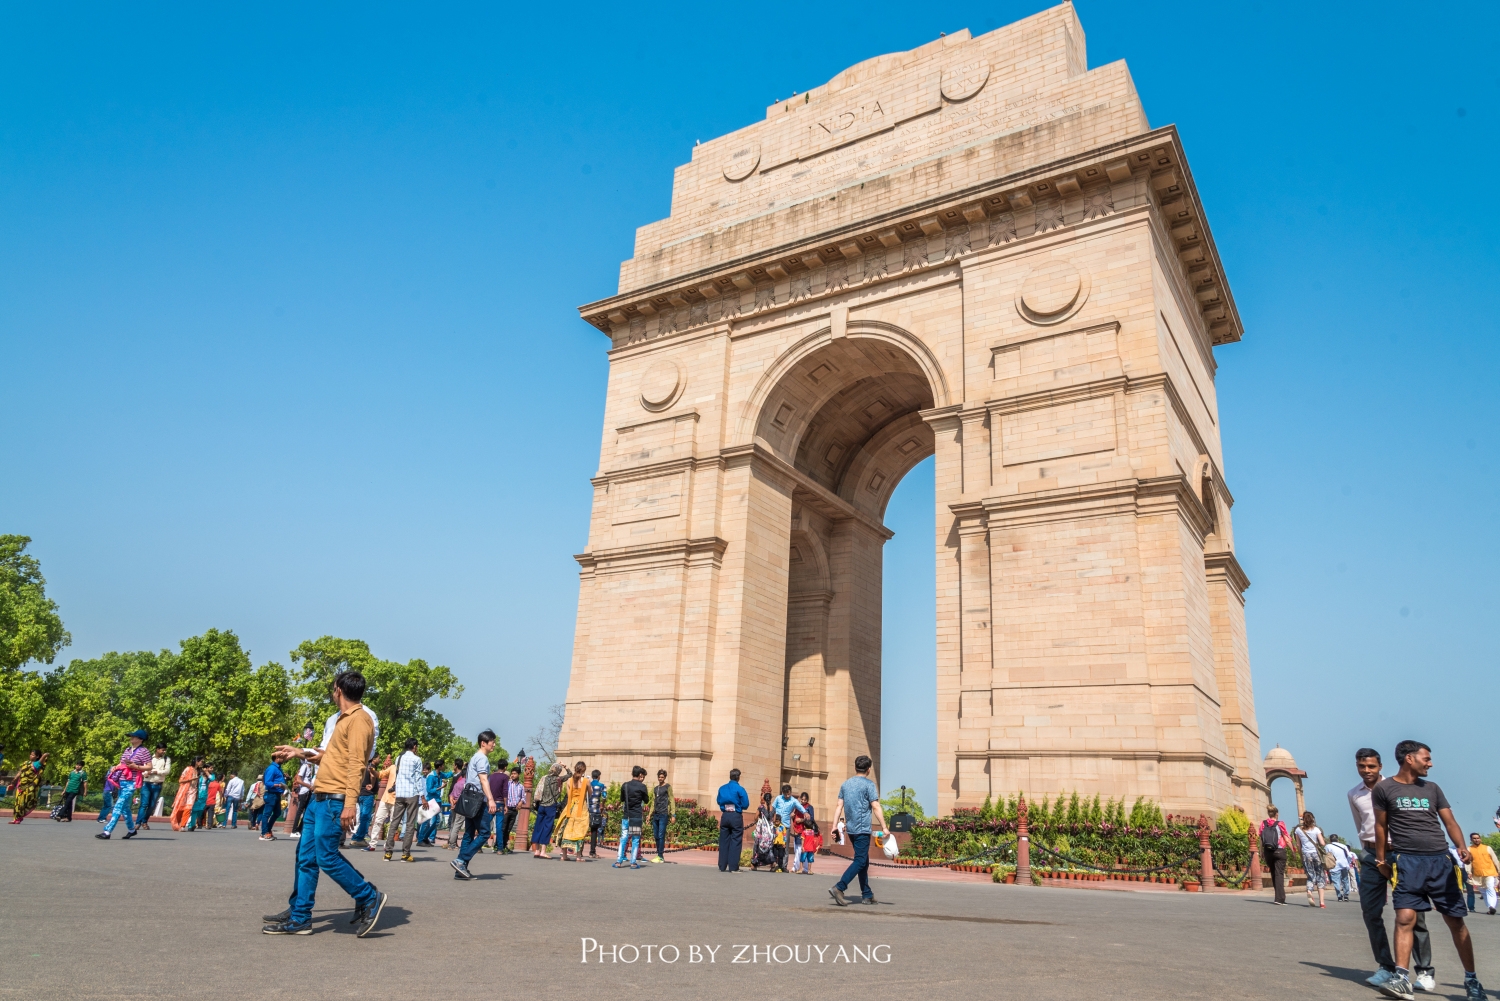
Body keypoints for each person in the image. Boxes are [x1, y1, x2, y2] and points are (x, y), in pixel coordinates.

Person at [262, 670, 388, 937]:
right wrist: (299, 752)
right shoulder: (342, 721)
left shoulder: (360, 720)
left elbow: (356, 764)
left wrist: (350, 804)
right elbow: (331, 756)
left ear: (338, 690)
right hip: (320, 797)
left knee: (326, 857)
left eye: (333, 689)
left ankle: (369, 896)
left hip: (335, 799)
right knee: (306, 857)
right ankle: (300, 917)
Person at [1372, 739, 1484, 1001]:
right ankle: (1401, 979)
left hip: (1440, 861)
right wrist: (1381, 860)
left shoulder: (1432, 789)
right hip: (1407, 863)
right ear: (1409, 758)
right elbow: (1380, 827)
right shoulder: (1384, 789)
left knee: (1455, 921)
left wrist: (1460, 846)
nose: (1430, 764)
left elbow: (1450, 821)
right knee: (1404, 918)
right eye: (1426, 759)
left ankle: (1472, 981)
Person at [1351, 747, 1435, 991]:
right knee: (1370, 911)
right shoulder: (1354, 794)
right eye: (1361, 766)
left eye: (1371, 766)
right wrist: (1371, 853)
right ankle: (1386, 966)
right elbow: (1363, 825)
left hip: (1401, 853)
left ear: (1380, 767)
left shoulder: (1396, 788)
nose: (1366, 771)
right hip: (1370, 854)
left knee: (1414, 913)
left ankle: (1424, 971)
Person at [828, 754, 888, 906]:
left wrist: (834, 826)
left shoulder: (845, 784)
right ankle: (839, 887)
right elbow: (875, 806)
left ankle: (867, 894)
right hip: (862, 829)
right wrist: (884, 827)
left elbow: (838, 806)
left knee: (863, 861)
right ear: (868, 770)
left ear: (855, 767)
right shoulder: (869, 785)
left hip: (852, 829)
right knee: (860, 860)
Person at [452, 730, 500, 880]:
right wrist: (490, 799)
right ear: (483, 743)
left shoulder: (474, 757)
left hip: (469, 798)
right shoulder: (482, 759)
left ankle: (460, 869)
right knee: (485, 833)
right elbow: (483, 780)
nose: (494, 744)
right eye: (492, 741)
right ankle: (461, 860)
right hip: (478, 800)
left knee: (468, 834)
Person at [97, 730, 152, 840]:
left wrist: (136, 767)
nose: (131, 738)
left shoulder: (144, 751)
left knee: (118, 806)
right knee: (125, 808)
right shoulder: (127, 750)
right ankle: (132, 830)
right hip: (122, 781)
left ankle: (107, 831)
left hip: (132, 782)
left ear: (140, 739)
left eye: (133, 736)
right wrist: (115, 767)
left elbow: (149, 767)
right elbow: (121, 763)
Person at [383, 738, 424, 862]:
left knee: (394, 822)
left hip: (400, 793)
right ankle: (405, 854)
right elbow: (417, 778)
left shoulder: (398, 758)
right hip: (412, 793)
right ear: (414, 746)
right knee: (410, 824)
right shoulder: (417, 760)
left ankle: (388, 853)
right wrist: (422, 795)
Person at [614, 765, 649, 869]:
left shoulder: (625, 785)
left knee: (623, 838)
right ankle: (633, 862)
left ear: (632, 773)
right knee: (635, 839)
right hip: (636, 816)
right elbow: (646, 800)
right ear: (640, 775)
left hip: (626, 816)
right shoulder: (642, 787)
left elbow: (622, 799)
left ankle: (618, 861)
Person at [716, 768, 750, 872]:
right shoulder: (740, 789)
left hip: (725, 815)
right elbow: (745, 804)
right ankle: (733, 866)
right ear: (738, 777)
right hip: (736, 816)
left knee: (724, 840)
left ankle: (722, 865)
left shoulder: (722, 788)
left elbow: (718, 801)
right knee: (735, 841)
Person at [558, 760, 592, 861]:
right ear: (584, 770)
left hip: (571, 807)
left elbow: (569, 795)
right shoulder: (586, 781)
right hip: (581, 807)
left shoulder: (569, 780)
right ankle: (578, 856)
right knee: (580, 830)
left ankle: (564, 856)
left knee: (567, 829)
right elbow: (590, 793)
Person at [1257, 806, 1291, 905]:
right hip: (1279, 851)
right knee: (1279, 874)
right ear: (1277, 814)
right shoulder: (1280, 824)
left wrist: (1261, 851)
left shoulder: (1263, 824)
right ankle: (1280, 899)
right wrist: (1293, 850)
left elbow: (1261, 839)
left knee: (1273, 873)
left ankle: (1278, 897)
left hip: (1268, 851)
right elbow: (1286, 838)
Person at [531, 762, 565, 859]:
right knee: (547, 827)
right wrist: (565, 767)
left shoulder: (544, 778)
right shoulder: (558, 779)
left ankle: (536, 851)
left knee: (538, 826)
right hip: (551, 806)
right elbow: (570, 775)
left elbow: (538, 790)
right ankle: (543, 851)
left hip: (541, 805)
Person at [363, 754, 396, 851]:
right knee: (378, 820)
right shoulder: (393, 768)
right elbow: (381, 774)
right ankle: (372, 844)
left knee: (393, 823)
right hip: (386, 798)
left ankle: (387, 845)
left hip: (397, 800)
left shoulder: (408, 772)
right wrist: (373, 771)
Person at [1296, 811, 1329, 908]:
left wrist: (1301, 854)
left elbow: (1298, 844)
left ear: (1303, 820)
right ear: (1313, 819)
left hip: (1306, 854)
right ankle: (1322, 902)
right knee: (1320, 876)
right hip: (1316, 854)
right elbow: (1322, 843)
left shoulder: (1298, 830)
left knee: (1310, 875)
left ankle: (1310, 891)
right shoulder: (1316, 829)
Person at [772, 784, 807, 871]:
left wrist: (805, 812)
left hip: (785, 826)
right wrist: (772, 818)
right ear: (782, 793)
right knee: (774, 845)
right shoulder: (778, 798)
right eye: (785, 794)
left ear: (790, 792)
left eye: (789, 794)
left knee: (785, 846)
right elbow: (773, 808)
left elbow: (800, 807)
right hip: (776, 826)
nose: (787, 796)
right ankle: (774, 864)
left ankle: (784, 865)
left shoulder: (793, 801)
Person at [137, 746, 171, 830]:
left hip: (158, 784)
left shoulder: (166, 759)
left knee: (152, 805)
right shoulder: (148, 758)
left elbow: (167, 771)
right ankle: (138, 823)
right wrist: (145, 773)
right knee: (144, 804)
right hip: (147, 783)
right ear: (157, 749)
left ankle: (144, 821)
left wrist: (155, 772)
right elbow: (142, 769)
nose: (164, 751)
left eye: (165, 750)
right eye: (162, 750)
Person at [8, 750, 46, 822]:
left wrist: (45, 755)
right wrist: (13, 782)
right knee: (17, 803)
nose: (31, 756)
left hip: (29, 787)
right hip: (20, 786)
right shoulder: (25, 763)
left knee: (24, 803)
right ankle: (16, 819)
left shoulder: (37, 764)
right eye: (30, 754)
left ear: (37, 756)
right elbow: (20, 772)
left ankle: (19, 817)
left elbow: (42, 759)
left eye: (33, 755)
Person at [351, 760, 379, 847]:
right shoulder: (371, 767)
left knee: (362, 816)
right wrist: (372, 785)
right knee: (365, 817)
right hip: (367, 794)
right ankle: (359, 838)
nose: (379, 760)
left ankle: (356, 837)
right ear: (374, 759)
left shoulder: (361, 765)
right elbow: (373, 776)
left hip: (361, 793)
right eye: (378, 758)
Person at [1469, 834, 1499, 915]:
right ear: (1471, 840)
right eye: (1474, 838)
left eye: (1478, 838)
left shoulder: (1487, 848)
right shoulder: (1469, 849)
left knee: (1490, 888)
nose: (1476, 840)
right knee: (1483, 891)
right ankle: (1490, 907)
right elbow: (1468, 862)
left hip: (1489, 872)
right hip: (1477, 874)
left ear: (1480, 839)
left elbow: (1495, 860)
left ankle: (1492, 906)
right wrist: (1469, 872)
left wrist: (1499, 870)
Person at [485, 758, 510, 853]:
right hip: (499, 803)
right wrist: (506, 805)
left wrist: (488, 800)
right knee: (499, 826)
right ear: (505, 767)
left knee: (486, 824)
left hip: (490, 802)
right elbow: (505, 792)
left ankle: (479, 845)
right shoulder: (504, 777)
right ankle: (500, 848)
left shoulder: (491, 776)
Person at [650, 769, 675, 863]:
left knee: (661, 835)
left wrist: (673, 814)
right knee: (656, 835)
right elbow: (653, 802)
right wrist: (649, 814)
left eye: (662, 777)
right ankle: (658, 854)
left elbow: (672, 800)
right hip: (656, 814)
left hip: (663, 814)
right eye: (659, 777)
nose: (660, 778)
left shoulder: (667, 787)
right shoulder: (656, 788)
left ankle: (660, 855)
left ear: (665, 778)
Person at [259, 758, 286, 840]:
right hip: (271, 794)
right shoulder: (272, 768)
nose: (283, 759)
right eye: (281, 757)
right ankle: (263, 833)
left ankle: (268, 830)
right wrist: (278, 785)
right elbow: (267, 782)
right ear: (277, 758)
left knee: (277, 813)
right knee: (267, 814)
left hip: (277, 794)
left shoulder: (278, 768)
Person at [501, 764, 525, 853]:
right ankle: (499, 845)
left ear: (519, 774)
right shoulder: (507, 784)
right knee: (503, 827)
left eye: (515, 773)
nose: (513, 775)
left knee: (509, 828)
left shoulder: (521, 786)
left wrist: (521, 802)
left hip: (514, 809)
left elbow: (523, 797)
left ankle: (504, 845)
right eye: (512, 773)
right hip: (506, 808)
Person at [418, 761, 444, 846]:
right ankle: (421, 839)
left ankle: (425, 837)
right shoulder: (430, 777)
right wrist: (440, 787)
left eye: (426, 770)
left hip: (435, 800)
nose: (424, 771)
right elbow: (429, 790)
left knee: (436, 821)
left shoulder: (438, 776)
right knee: (426, 820)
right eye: (423, 770)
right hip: (428, 800)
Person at [1326, 836, 1357, 902]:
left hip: (1334, 865)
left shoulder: (1328, 846)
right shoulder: (1343, 846)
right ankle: (1346, 895)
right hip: (1344, 865)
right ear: (1338, 840)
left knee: (1336, 881)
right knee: (1345, 880)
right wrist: (1347, 864)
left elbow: (1326, 855)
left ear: (1330, 840)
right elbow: (1349, 856)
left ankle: (1339, 896)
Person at [445, 759, 467, 851]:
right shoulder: (465, 783)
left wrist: (452, 801)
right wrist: (456, 801)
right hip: (460, 806)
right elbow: (463, 795)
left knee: (453, 824)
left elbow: (451, 794)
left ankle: (450, 841)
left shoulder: (458, 781)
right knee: (457, 825)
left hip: (453, 804)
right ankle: (452, 844)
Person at [586, 769, 607, 858]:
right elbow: (604, 796)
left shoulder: (588, 784)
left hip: (586, 809)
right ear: (598, 776)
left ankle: (578, 851)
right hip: (596, 810)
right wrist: (602, 805)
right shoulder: (602, 785)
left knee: (583, 830)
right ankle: (592, 852)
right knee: (594, 831)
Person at [186, 759, 211, 831]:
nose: (211, 769)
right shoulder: (199, 775)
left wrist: (207, 772)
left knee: (200, 811)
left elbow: (212, 779)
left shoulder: (209, 777)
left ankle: (193, 823)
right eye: (209, 768)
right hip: (197, 794)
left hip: (204, 796)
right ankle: (191, 825)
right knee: (194, 810)